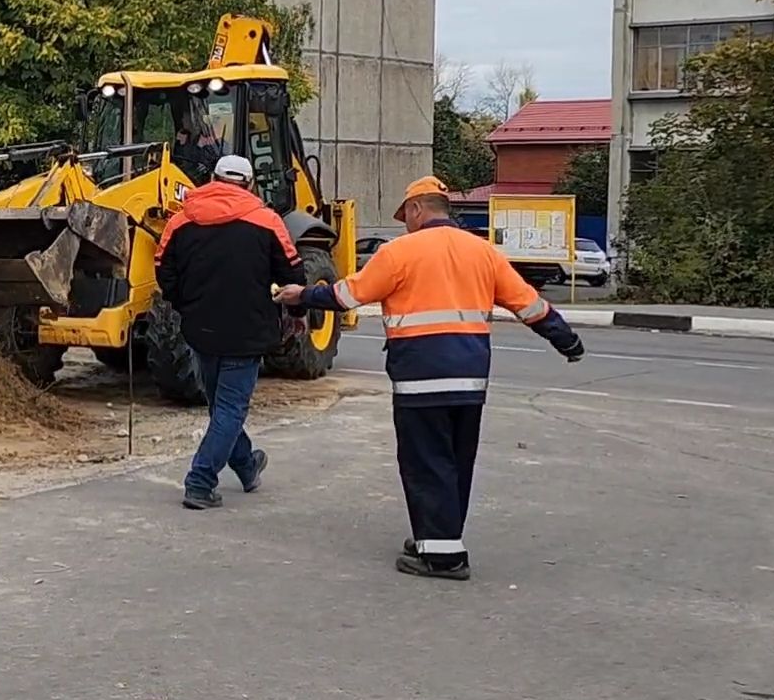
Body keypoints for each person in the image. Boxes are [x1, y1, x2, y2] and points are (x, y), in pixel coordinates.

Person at [275, 175, 585, 581]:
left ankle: (443, 558)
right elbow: (530, 306)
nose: (405, 223)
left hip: (421, 373)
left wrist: (302, 295)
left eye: (406, 215)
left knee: (425, 462)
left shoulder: (400, 252)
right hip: (471, 376)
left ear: (419, 209)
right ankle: (437, 537)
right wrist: (568, 342)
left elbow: (346, 296)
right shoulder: (483, 252)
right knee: (457, 461)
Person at [155, 154, 306, 510]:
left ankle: (246, 463)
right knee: (230, 409)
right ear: (250, 184)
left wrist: (185, 307)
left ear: (212, 179)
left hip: (200, 329)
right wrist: (298, 312)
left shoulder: (181, 220)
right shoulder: (266, 220)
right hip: (248, 329)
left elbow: (164, 270)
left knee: (221, 407)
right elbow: (292, 272)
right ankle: (200, 481)